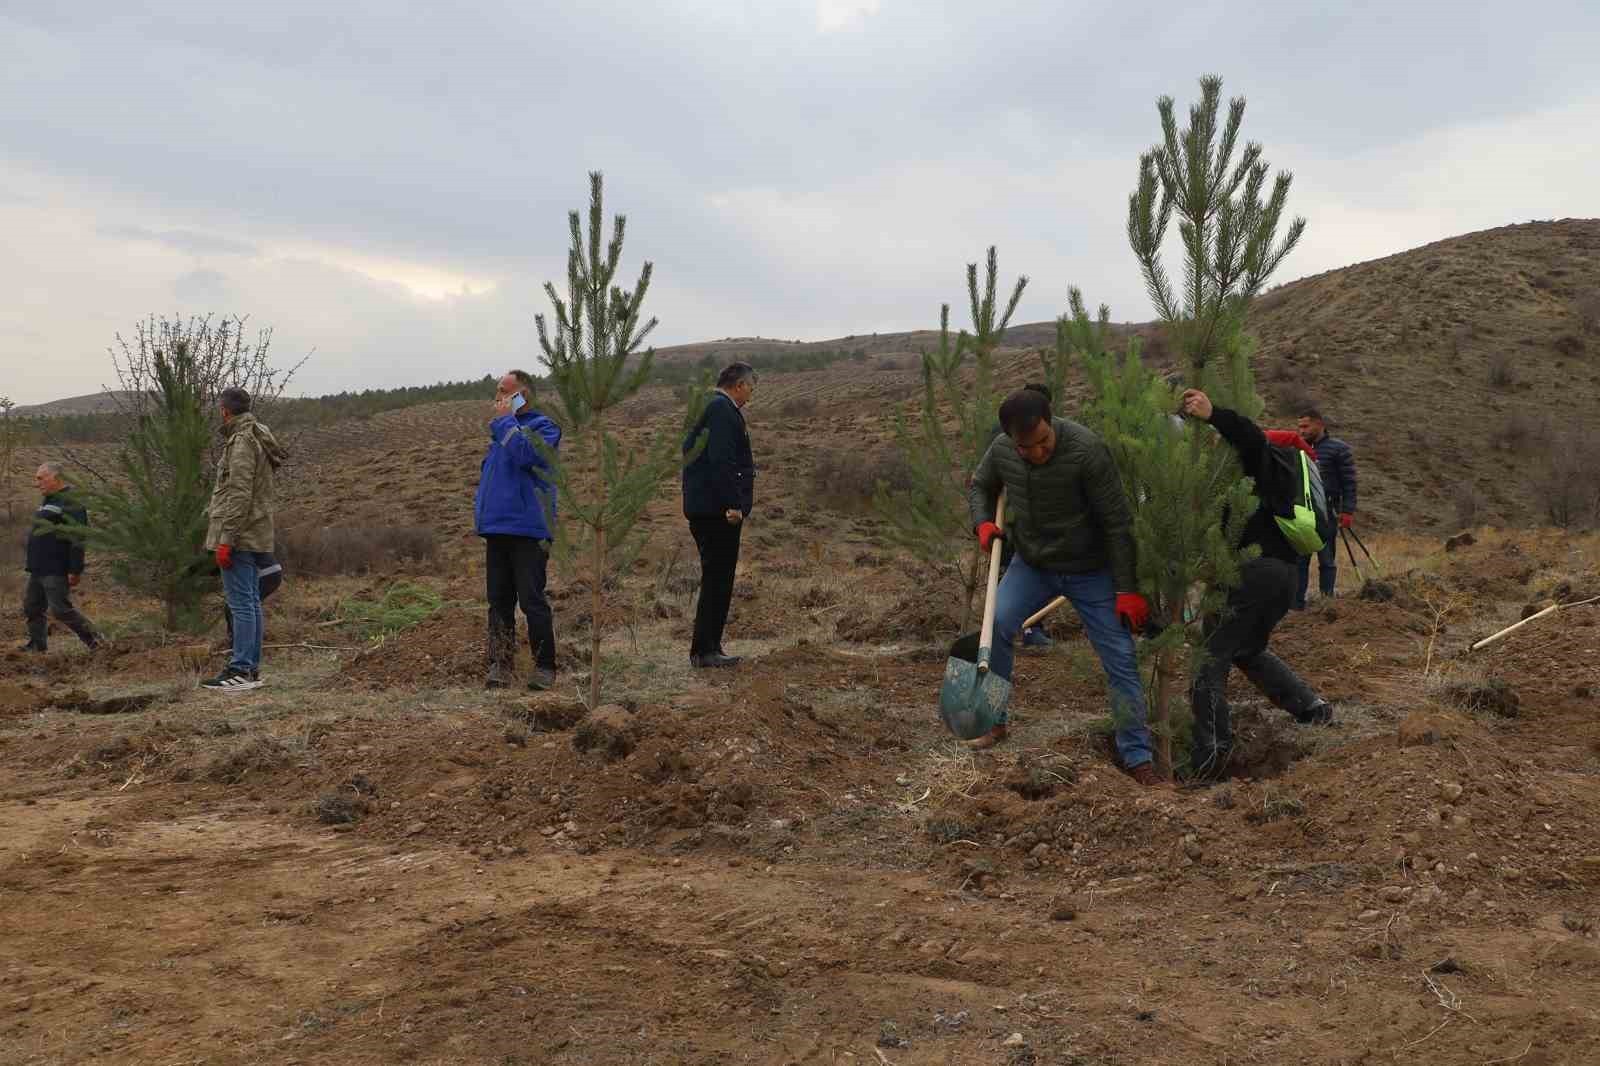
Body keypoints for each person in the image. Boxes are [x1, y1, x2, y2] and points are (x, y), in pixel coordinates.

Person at [966, 388, 1159, 784]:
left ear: (1051, 422)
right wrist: (983, 521)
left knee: (1120, 656)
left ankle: (1138, 757)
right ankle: (994, 720)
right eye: (1026, 448)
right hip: (1034, 564)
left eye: (1043, 442)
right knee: (998, 623)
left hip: (1091, 570)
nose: (1037, 453)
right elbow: (980, 484)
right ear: (1011, 440)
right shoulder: (1002, 449)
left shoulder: (1087, 450)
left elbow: (1118, 524)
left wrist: (1126, 588)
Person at [1180, 388, 1335, 781]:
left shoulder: (1253, 462)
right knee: (1247, 649)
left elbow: (1248, 434)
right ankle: (1311, 707)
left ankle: (1212, 753)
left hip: (1255, 573)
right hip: (1282, 575)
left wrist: (1214, 413)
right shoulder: (1251, 477)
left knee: (1208, 660)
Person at [475, 370, 562, 691]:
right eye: (497, 392)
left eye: (503, 391)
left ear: (523, 394)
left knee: (532, 600)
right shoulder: (500, 435)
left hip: (529, 530)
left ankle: (544, 666)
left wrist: (505, 423)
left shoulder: (545, 427)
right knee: (498, 601)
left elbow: (529, 455)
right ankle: (500, 664)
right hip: (498, 529)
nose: (497, 397)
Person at [202, 387, 287, 692]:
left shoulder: (241, 441)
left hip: (240, 535)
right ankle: (248, 670)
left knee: (241, 604)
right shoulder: (258, 435)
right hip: (255, 531)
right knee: (249, 604)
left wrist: (226, 538)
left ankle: (240, 670)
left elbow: (238, 492)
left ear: (224, 411)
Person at [682, 362, 756, 669]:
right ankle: (705, 651)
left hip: (707, 508)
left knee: (716, 578)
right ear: (738, 385)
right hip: (717, 511)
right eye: (751, 387)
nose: (751, 394)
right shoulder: (721, 410)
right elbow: (721, 460)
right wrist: (733, 504)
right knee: (718, 579)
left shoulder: (708, 407)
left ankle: (709, 647)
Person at [985, 384, 1054, 650]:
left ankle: (1027, 626)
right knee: (1014, 571)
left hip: (1028, 516)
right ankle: (1021, 629)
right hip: (1011, 516)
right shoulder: (1003, 434)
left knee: (1031, 570)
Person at [20, 462, 100, 653]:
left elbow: (78, 536)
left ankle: (98, 641)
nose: (37, 482)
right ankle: (37, 646)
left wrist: (75, 569)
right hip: (38, 568)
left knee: (61, 610)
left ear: (56, 478)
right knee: (32, 607)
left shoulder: (70, 501)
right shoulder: (49, 500)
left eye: (41, 478)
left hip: (55, 568)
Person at [1294, 406, 1357, 608]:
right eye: (1299, 427)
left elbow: (1349, 482)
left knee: (1327, 560)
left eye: (1305, 426)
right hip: (1303, 512)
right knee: (1300, 560)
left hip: (1328, 513)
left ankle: (1326, 602)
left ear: (1319, 424)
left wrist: (1347, 511)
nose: (1301, 431)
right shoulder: (1298, 448)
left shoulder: (1339, 449)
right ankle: (1296, 604)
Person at [223, 554, 282, 645]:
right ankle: (247, 647)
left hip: (265, 571)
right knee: (250, 606)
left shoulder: (222, 546)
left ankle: (238, 646)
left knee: (237, 606)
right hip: (273, 569)